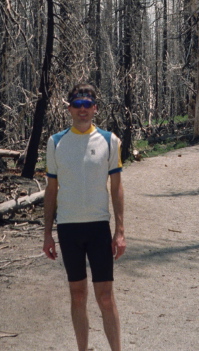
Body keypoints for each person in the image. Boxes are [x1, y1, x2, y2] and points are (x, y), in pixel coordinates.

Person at [43, 83, 126, 351]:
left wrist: (120, 231)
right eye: (77, 105)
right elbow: (51, 189)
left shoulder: (109, 140)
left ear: (95, 108)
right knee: (77, 295)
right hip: (68, 228)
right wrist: (47, 234)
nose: (82, 110)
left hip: (98, 227)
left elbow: (116, 187)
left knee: (105, 296)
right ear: (69, 108)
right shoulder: (55, 142)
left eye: (87, 105)